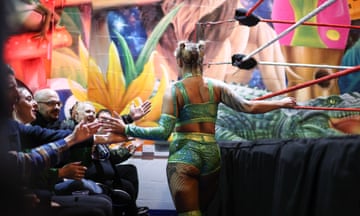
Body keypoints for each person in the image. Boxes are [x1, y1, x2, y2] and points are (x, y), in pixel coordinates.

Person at [100, 41, 297, 216]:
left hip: (185, 155)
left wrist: (127, 129)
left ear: (179, 62)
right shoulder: (218, 87)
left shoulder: (175, 90)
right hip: (211, 156)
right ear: (201, 61)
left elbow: (163, 132)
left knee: (189, 212)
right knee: (202, 210)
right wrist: (281, 103)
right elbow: (249, 106)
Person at [3, 64, 113, 216]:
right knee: (100, 205)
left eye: (58, 103)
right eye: (29, 99)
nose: (56, 107)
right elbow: (24, 164)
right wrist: (60, 172)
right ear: (76, 114)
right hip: (42, 191)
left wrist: (103, 137)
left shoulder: (15, 126)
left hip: (40, 192)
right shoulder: (55, 125)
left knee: (107, 198)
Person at [58, 101, 151, 216]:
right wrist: (94, 143)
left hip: (102, 174)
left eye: (93, 112)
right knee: (123, 188)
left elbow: (108, 129)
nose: (92, 114)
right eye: (88, 111)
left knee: (128, 182)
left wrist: (129, 118)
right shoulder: (70, 128)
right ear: (76, 115)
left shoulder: (92, 130)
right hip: (86, 176)